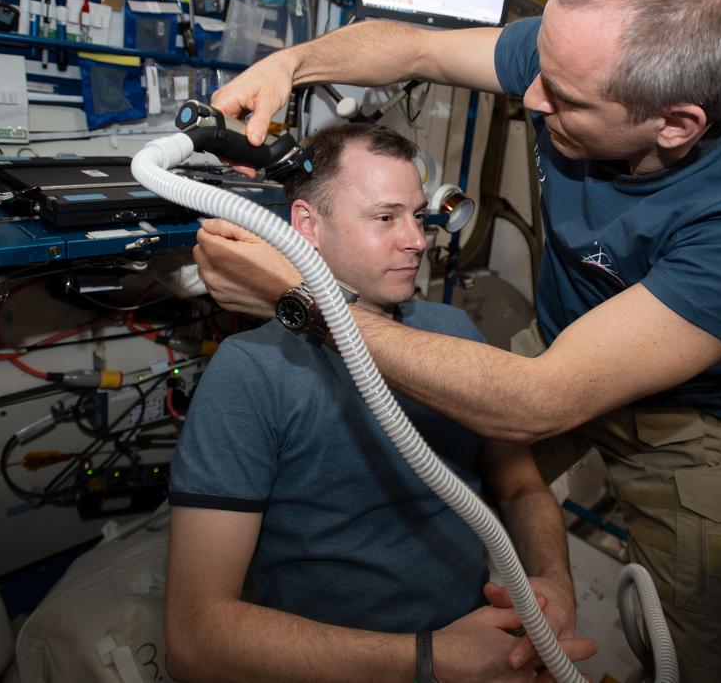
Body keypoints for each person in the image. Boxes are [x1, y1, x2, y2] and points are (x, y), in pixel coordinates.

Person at [193, 0, 721, 682]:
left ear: (676, 124)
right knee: (453, 484)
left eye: (562, 98)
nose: (529, 97)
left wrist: (306, 296)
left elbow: (537, 402)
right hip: (556, 343)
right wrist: (293, 64)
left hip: (676, 411)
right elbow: (419, 46)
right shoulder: (588, 51)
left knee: (701, 635)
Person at [165, 123, 595, 682]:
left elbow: (520, 486)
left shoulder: (453, 331)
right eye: (385, 217)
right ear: (307, 227)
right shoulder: (251, 372)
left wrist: (554, 582)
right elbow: (195, 640)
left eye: (418, 215)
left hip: (487, 643)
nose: (417, 239)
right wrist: (430, 658)